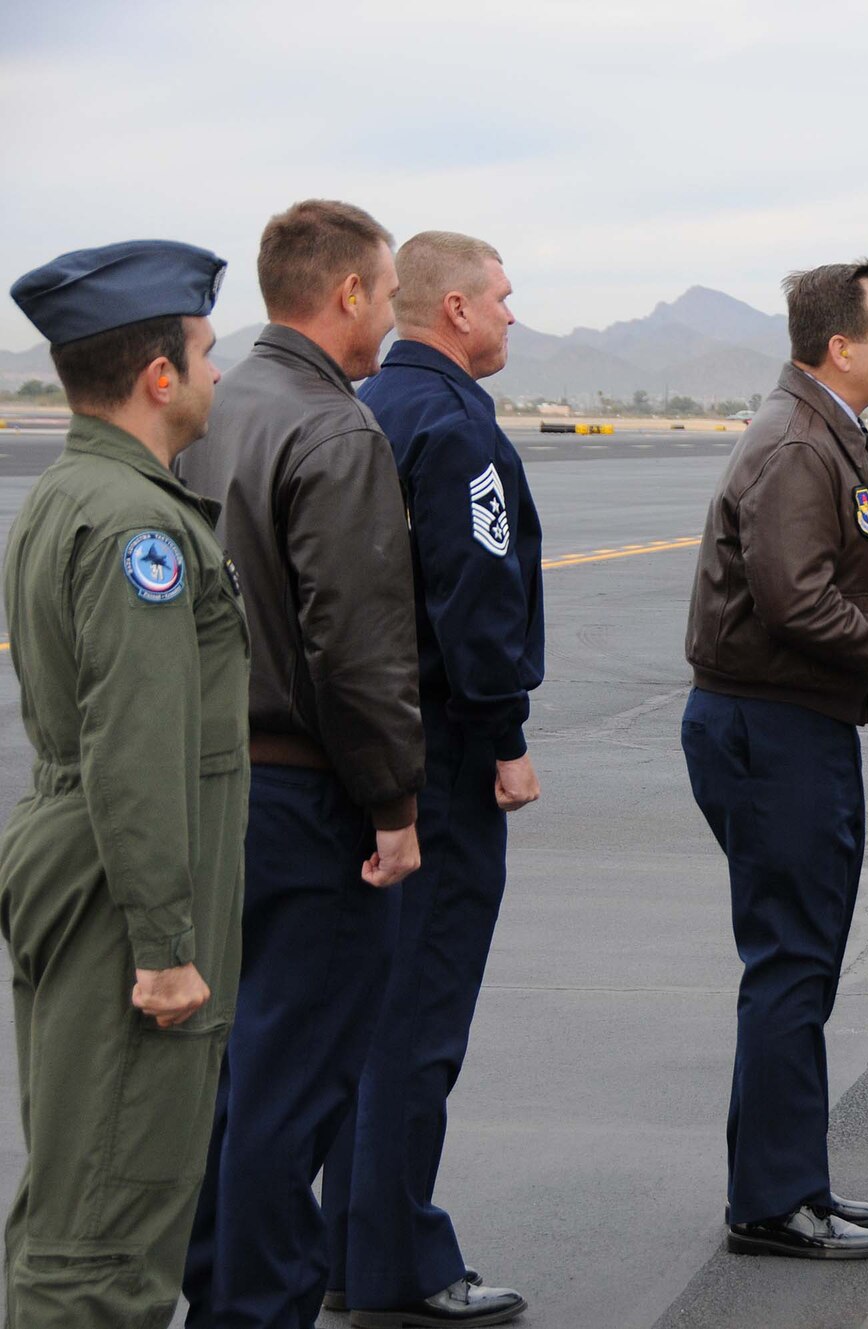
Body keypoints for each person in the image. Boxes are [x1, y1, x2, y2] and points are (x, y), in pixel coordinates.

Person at [681, 257, 868, 1260]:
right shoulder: (796, 446)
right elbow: (797, 601)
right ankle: (772, 1205)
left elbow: (857, 567)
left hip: (789, 725)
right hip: (770, 731)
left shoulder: (821, 435)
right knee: (790, 966)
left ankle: (792, 1183)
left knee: (799, 964)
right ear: (839, 346)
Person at [176, 200, 429, 1327]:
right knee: (296, 1086)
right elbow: (358, 643)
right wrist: (394, 803)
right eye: (382, 291)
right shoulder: (336, 430)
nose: (387, 312)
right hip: (303, 797)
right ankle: (262, 1308)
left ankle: (211, 1289)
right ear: (345, 296)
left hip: (212, 782)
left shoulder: (211, 412)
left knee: (226, 1083)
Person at [0, 241, 244, 1328]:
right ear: (159, 376)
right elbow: (135, 748)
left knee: (83, 1187)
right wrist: (164, 948)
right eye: (204, 353)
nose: (215, 375)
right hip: (118, 887)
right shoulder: (138, 523)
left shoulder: (76, 490)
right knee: (107, 1222)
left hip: (82, 856)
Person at [319, 231, 540, 1328]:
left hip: (355, 756)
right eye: (501, 299)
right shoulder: (454, 431)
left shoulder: (359, 410)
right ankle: (399, 1261)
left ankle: (348, 1247)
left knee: (366, 1016)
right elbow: (477, 598)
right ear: (454, 309)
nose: (510, 316)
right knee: (421, 1019)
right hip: (439, 758)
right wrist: (504, 737)